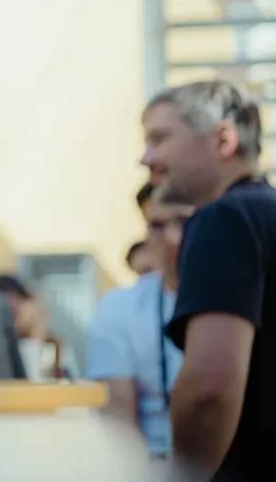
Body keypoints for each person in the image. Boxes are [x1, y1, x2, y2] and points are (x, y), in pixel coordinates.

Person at [141, 80, 275, 482]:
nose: (145, 158)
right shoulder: (265, 214)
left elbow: (208, 392)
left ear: (222, 139)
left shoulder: (224, 219)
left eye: (159, 138)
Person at [85, 181, 192, 459]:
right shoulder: (118, 307)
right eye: (157, 225)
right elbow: (119, 422)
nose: (172, 237)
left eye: (183, 221)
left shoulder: (249, 295)